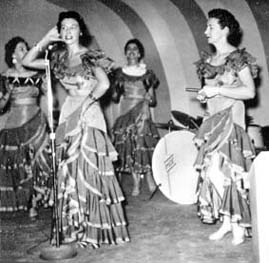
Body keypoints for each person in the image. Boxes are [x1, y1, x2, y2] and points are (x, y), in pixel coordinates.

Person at [22, 10, 130, 248]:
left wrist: (86, 104)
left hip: (88, 112)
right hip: (69, 112)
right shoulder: (58, 57)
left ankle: (95, 229)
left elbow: (104, 84)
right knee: (68, 170)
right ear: (59, 32)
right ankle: (76, 227)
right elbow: (27, 62)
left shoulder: (90, 56)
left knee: (89, 169)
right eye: (64, 27)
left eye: (72, 26)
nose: (68, 31)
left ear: (81, 30)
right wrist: (45, 39)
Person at [193, 9, 258, 245]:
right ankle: (229, 222)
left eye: (210, 27)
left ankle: (238, 225)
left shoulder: (237, 58)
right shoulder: (208, 62)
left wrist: (218, 90)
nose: (205, 31)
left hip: (231, 120)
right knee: (212, 173)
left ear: (225, 30)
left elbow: (249, 92)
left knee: (230, 175)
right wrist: (205, 95)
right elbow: (211, 92)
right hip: (213, 121)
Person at [0, 37, 51, 218]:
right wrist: (6, 96)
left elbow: (50, 97)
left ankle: (34, 202)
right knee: (18, 165)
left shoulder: (37, 77)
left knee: (37, 162)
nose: (26, 50)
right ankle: (24, 200)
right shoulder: (5, 77)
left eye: (26, 47)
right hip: (14, 124)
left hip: (35, 122)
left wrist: (47, 87)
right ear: (13, 55)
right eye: (21, 48)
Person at [109, 38, 160, 196]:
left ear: (139, 54)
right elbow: (115, 98)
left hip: (142, 112)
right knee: (130, 146)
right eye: (128, 49)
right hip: (126, 113)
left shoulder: (148, 74)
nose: (131, 51)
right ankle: (136, 183)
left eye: (135, 49)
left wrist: (147, 99)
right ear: (125, 53)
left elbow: (153, 100)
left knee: (142, 144)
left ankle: (149, 177)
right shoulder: (119, 74)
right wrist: (112, 85)